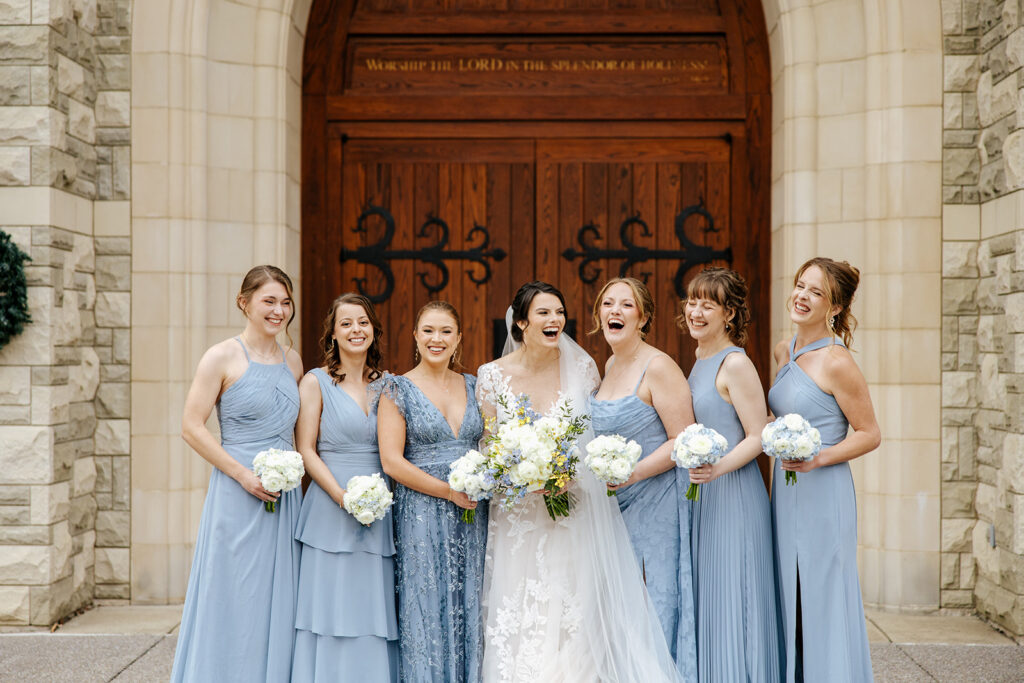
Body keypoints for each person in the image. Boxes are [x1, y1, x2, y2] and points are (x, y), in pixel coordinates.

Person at [477, 281, 683, 683]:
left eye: (559, 312)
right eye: (543, 313)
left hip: (572, 514)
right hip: (518, 519)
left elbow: (591, 439)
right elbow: (488, 446)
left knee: (573, 617)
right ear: (521, 322)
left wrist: (567, 472)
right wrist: (520, 474)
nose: (554, 320)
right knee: (517, 613)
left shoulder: (585, 368)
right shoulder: (491, 376)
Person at [172, 265, 304, 682]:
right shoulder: (221, 356)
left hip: (285, 499)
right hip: (236, 492)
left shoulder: (293, 360)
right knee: (232, 594)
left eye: (286, 302)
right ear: (244, 303)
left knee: (277, 597)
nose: (279, 311)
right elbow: (191, 427)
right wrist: (243, 475)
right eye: (269, 301)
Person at [770, 257, 881, 682]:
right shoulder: (785, 350)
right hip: (786, 489)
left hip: (823, 490)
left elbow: (869, 434)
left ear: (834, 307)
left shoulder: (837, 361)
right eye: (801, 285)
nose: (802, 296)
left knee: (821, 594)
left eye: (816, 292)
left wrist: (818, 458)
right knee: (791, 592)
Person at [588, 277, 697, 676]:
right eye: (608, 304)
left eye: (626, 305)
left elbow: (682, 439)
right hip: (616, 504)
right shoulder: (610, 365)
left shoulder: (659, 366)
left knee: (653, 599)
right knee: (621, 602)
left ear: (644, 317)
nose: (615, 311)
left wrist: (631, 473)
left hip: (656, 502)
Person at [377, 301, 488, 683]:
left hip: (473, 513)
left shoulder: (473, 385)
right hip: (421, 514)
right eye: (428, 330)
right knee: (426, 603)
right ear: (415, 336)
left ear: (458, 338)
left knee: (471, 600)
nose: (436, 339)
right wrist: (448, 491)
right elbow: (392, 462)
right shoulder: (397, 388)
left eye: (445, 331)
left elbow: (492, 444)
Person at [291, 293, 398, 682]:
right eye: (347, 323)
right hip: (329, 507)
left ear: (374, 330)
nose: (356, 330)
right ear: (333, 333)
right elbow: (306, 449)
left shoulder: (390, 385)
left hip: (380, 509)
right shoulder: (314, 382)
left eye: (363, 322)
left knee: (372, 606)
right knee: (332, 606)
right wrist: (342, 497)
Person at [682, 267, 781, 681]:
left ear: (730, 314)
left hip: (734, 493)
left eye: (708, 305)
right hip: (705, 492)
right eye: (692, 302)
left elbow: (759, 435)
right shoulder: (699, 359)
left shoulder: (735, 363)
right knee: (711, 593)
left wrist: (716, 468)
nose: (696, 311)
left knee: (734, 592)